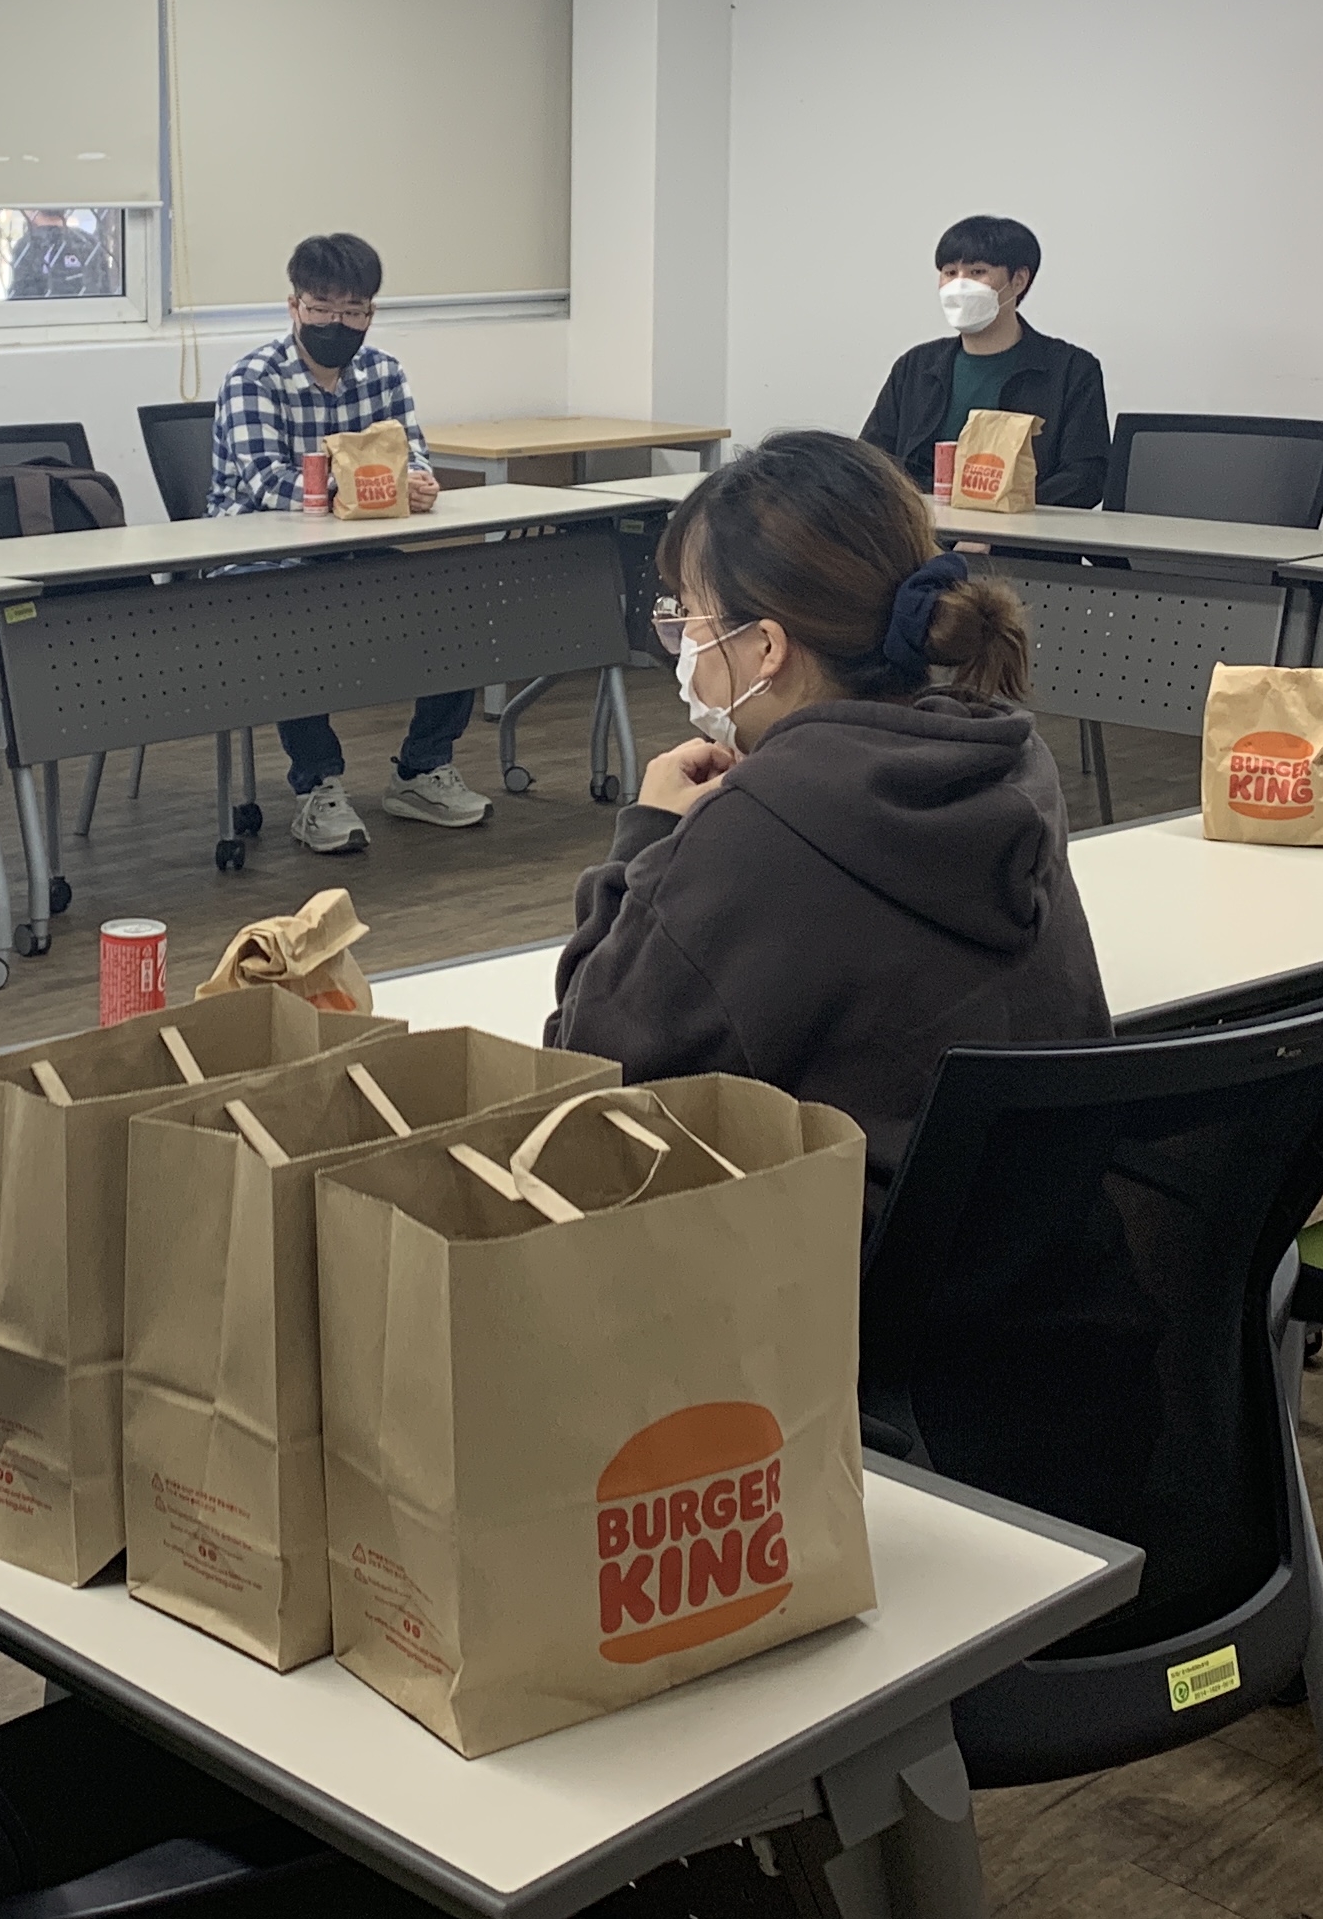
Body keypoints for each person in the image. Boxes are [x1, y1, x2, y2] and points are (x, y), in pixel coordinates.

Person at [548, 429, 1107, 1213]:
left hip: (843, 1273)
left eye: (691, 615)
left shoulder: (757, 832)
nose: (683, 640)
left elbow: (585, 1074)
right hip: (1044, 1254)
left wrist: (648, 835)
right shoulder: (1010, 761)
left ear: (766, 647)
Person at [205, 230, 492, 856]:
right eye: (322, 309)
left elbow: (412, 454)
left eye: (353, 312)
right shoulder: (254, 378)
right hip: (257, 559)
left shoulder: (383, 373)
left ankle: (421, 769)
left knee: (457, 603)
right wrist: (361, 490)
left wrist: (417, 484)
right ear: (294, 306)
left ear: (370, 313)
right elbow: (267, 483)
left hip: (352, 550)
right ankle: (317, 787)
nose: (337, 324)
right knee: (293, 617)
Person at [854, 214, 1111, 508]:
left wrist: (1001, 511)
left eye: (977, 272)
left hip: (1026, 533)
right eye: (950, 273)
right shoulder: (915, 367)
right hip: (922, 528)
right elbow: (869, 462)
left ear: (1018, 280)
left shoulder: (1071, 370)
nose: (960, 285)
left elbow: (1085, 478)